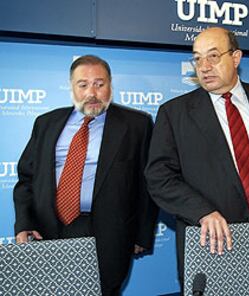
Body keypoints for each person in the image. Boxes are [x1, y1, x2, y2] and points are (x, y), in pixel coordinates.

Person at [144, 26, 249, 284]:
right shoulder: (174, 113)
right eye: (197, 58)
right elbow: (159, 177)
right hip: (209, 244)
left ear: (236, 57)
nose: (204, 66)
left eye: (213, 56)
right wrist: (203, 212)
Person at [13, 55, 159, 296]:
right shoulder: (46, 123)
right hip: (48, 229)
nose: (92, 92)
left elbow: (148, 184)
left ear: (111, 86)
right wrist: (24, 223)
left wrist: (141, 234)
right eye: (83, 85)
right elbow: (27, 178)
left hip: (109, 233)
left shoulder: (137, 124)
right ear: (71, 87)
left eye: (99, 84)